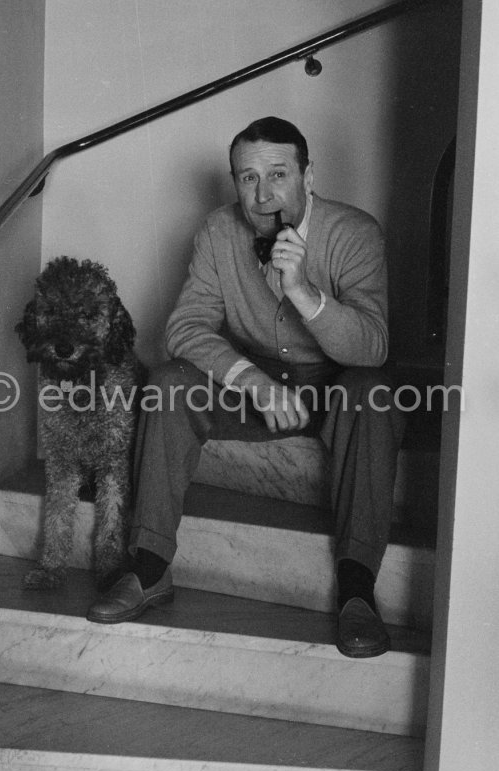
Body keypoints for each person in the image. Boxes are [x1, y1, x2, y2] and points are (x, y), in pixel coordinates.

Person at [87, 116, 404, 658]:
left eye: (278, 174)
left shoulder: (356, 233)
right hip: (252, 378)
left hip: (333, 384)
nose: (262, 195)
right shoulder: (218, 230)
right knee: (167, 384)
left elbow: (372, 347)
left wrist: (304, 292)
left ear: (308, 176)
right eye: (247, 178)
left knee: (373, 394)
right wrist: (251, 381)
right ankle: (150, 566)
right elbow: (185, 328)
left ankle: (357, 590)